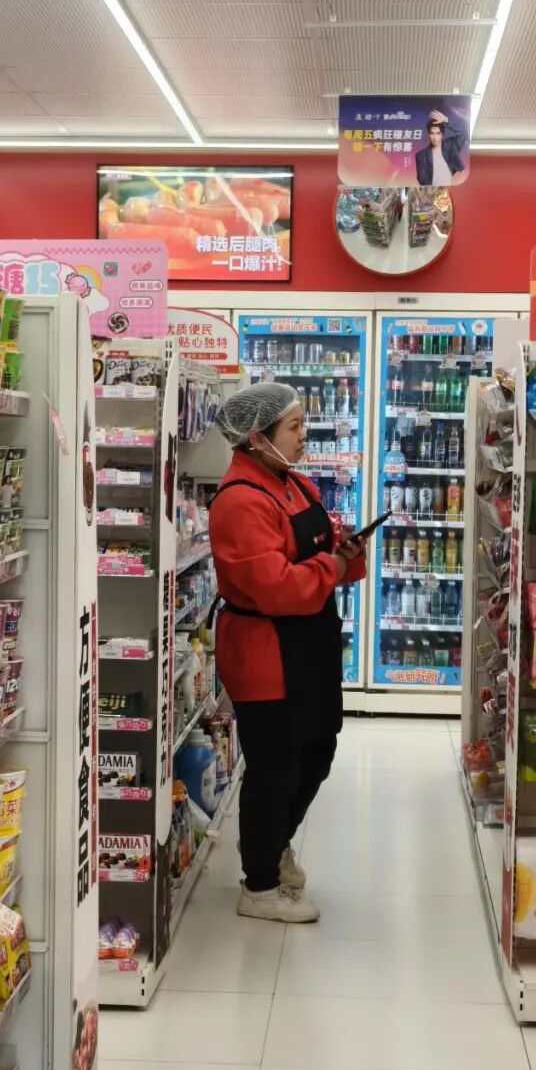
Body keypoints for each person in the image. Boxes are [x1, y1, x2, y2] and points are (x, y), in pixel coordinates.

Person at [209, 383, 367, 922]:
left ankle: (274, 843)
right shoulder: (239, 501)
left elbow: (315, 551)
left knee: (317, 752)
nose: (304, 437)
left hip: (307, 644)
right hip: (266, 651)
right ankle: (258, 886)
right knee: (275, 767)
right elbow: (276, 586)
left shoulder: (293, 483)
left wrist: (345, 552)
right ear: (257, 438)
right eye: (294, 427)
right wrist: (332, 566)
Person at [415, 109, 467, 185]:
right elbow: (422, 179)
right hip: (436, 188)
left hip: (455, 183)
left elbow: (463, 133)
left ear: (442, 134)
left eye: (438, 133)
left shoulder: (450, 145)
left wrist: (446, 120)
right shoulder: (421, 155)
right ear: (429, 134)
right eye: (432, 133)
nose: (434, 137)